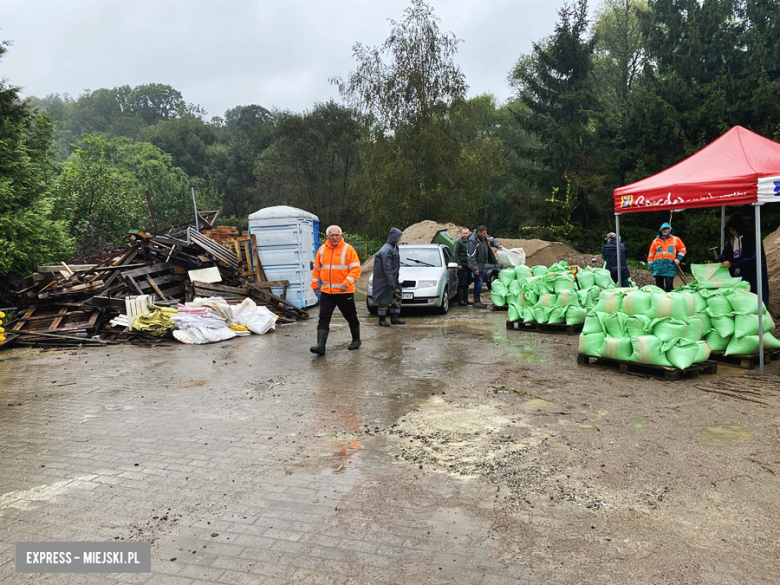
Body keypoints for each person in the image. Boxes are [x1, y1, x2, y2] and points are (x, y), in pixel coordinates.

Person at [309, 225, 362, 356]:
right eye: (332, 235)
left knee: (351, 317)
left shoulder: (348, 249)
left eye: (337, 235)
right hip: (327, 292)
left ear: (341, 235)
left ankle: (356, 340)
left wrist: (347, 283)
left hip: (345, 292)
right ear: (327, 236)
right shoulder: (321, 250)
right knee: (323, 318)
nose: (334, 238)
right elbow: (316, 269)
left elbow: (356, 269)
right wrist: (314, 285)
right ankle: (320, 346)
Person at [719, 213, 770, 304]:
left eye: (734, 230)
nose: (732, 233)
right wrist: (720, 263)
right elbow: (724, 255)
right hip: (737, 276)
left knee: (754, 298)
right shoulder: (731, 242)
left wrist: (732, 262)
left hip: (752, 273)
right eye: (730, 230)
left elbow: (752, 256)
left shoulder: (753, 239)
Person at [373, 228, 405, 327]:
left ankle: (394, 318)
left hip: (393, 278)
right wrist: (390, 281)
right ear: (395, 237)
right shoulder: (386, 250)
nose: (400, 239)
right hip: (385, 280)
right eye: (399, 237)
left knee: (397, 296)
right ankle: (382, 320)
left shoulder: (393, 247)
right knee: (384, 299)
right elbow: (387, 267)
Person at [467, 225, 502, 309]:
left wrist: (498, 245)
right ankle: (476, 301)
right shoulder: (473, 241)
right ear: (478, 232)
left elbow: (491, 240)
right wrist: (475, 268)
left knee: (480, 282)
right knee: (478, 283)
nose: (485, 235)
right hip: (477, 264)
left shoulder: (484, 237)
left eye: (486, 233)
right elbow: (470, 256)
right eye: (483, 233)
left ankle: (477, 301)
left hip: (482, 263)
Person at [647, 222, 686, 292]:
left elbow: (682, 250)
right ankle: (660, 301)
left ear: (670, 230)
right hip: (658, 267)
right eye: (663, 229)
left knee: (669, 285)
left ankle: (669, 301)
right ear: (660, 230)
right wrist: (650, 266)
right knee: (659, 287)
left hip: (669, 266)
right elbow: (651, 254)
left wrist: (678, 259)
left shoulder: (675, 239)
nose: (665, 231)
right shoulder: (655, 241)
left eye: (667, 229)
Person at [453, 227, 473, 306]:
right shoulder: (459, 242)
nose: (465, 235)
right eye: (464, 233)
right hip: (462, 265)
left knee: (467, 282)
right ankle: (460, 300)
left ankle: (466, 299)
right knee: (462, 283)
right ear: (461, 234)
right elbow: (455, 254)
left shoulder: (470, 241)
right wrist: (458, 264)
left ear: (469, 233)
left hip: (469, 265)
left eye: (466, 233)